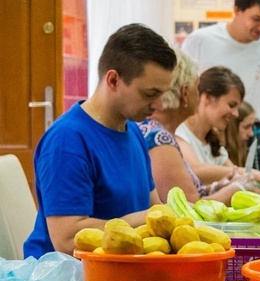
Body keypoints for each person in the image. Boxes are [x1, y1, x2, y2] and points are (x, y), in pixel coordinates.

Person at [23, 24, 177, 259]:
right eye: (150, 94)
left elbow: (153, 207)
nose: (159, 106)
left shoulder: (133, 131)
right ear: (113, 80)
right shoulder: (67, 142)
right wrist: (143, 220)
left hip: (118, 272)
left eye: (162, 94)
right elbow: (65, 239)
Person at [182, 0, 260, 179]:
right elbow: (183, 89)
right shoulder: (200, 41)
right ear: (237, 10)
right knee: (217, 187)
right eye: (257, 19)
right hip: (213, 130)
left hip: (253, 131)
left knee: (256, 188)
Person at [137, 51, 253, 205]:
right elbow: (191, 209)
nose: (199, 96)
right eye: (197, 89)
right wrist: (237, 187)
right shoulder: (159, 140)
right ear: (185, 93)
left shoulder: (155, 132)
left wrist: (217, 187)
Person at [175, 66, 260, 195]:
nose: (236, 114)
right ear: (207, 98)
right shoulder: (179, 133)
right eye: (232, 105)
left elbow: (235, 174)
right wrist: (252, 173)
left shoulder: (212, 140)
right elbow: (194, 170)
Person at [223, 101, 256, 167]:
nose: (251, 134)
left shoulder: (246, 150)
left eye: (251, 127)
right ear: (232, 128)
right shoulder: (219, 153)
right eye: (246, 127)